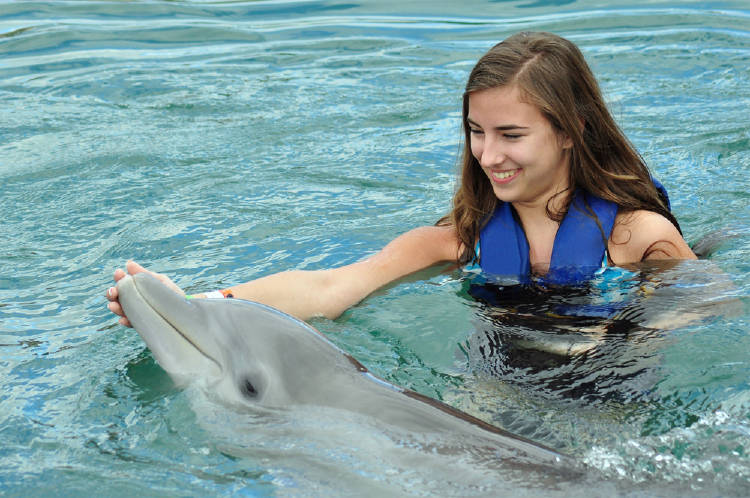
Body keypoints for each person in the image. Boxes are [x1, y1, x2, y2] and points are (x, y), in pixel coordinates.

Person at [106, 31, 696, 327]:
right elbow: (332, 288)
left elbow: (706, 323)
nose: (488, 156)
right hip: (492, 402)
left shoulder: (639, 238)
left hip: (610, 407)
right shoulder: (459, 241)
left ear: (571, 130)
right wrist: (192, 306)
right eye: (476, 131)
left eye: (511, 135)